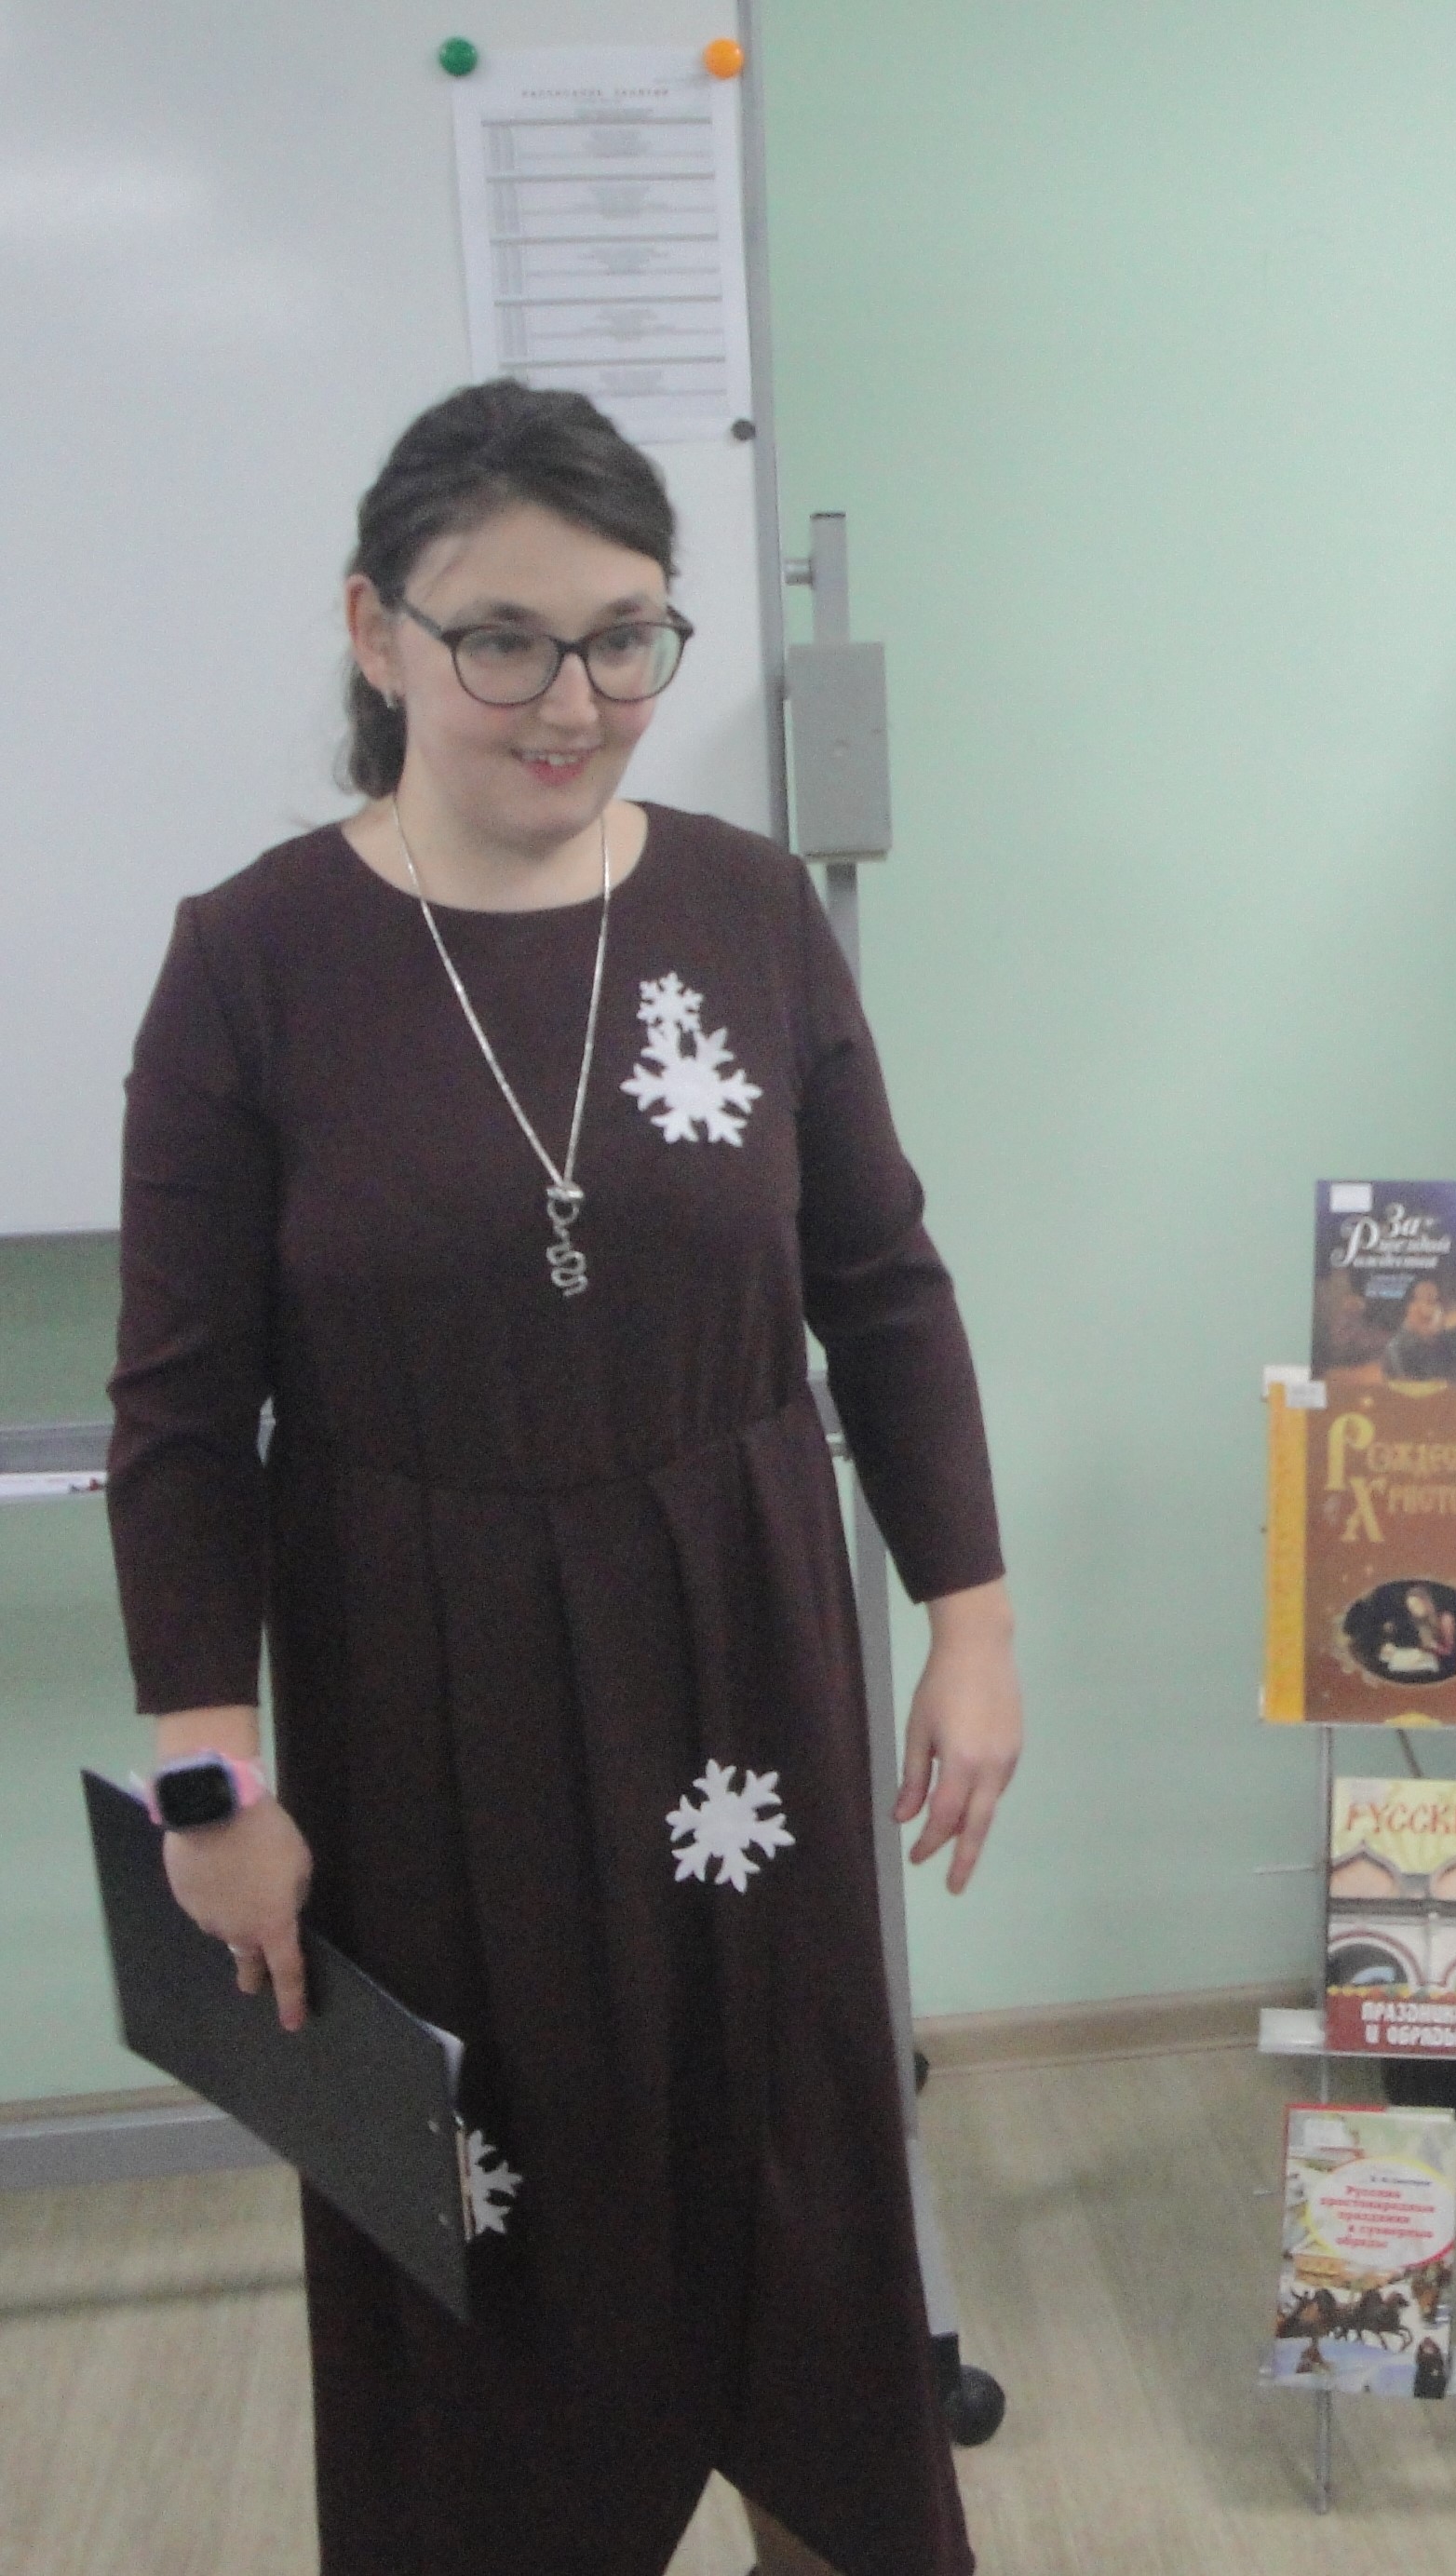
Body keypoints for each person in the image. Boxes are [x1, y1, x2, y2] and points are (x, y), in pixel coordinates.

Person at [109, 381, 1022, 2576]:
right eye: (504, 638)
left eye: (624, 637)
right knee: (480, 2224)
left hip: (742, 1645)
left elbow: (884, 1287)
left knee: (797, 2187)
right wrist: (211, 1792)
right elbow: (181, 1420)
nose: (573, 698)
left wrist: (973, 1622)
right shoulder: (251, 962)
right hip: (420, 1693)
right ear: (377, 631)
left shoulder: (749, 909)